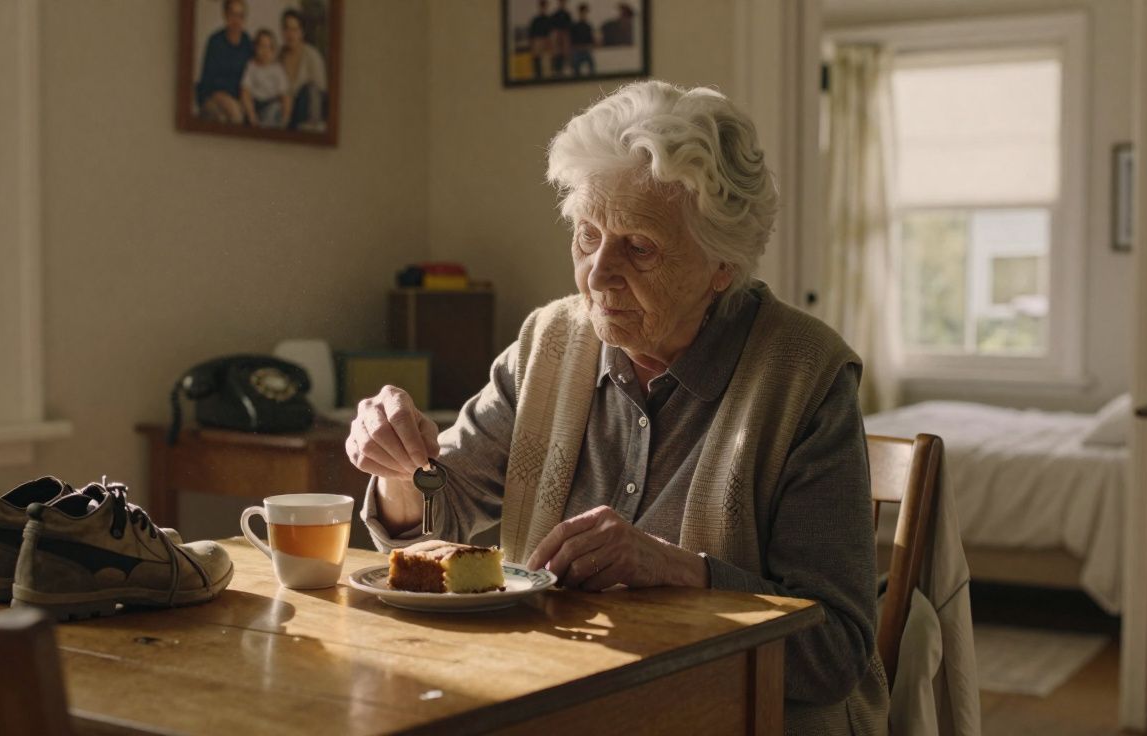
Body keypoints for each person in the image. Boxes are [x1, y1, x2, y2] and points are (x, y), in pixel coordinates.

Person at [348, 80, 889, 734]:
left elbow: (835, 654)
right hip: (559, 698)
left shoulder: (805, 378)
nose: (596, 274)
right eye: (586, 235)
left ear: (723, 265)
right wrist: (400, 467)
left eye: (637, 247)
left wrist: (682, 571)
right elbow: (445, 505)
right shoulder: (549, 342)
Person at [195, 0, 253, 124]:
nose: (236, 20)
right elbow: (207, 80)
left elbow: (251, 77)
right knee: (228, 116)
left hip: (240, 98)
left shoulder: (248, 43)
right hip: (214, 96)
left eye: (240, 16)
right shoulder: (215, 41)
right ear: (225, 15)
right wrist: (223, 98)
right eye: (233, 15)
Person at [279, 8, 329, 133]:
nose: (290, 34)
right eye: (287, 29)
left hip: (307, 115)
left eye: (294, 30)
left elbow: (319, 92)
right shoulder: (277, 57)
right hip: (283, 114)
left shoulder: (312, 56)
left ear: (302, 32)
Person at [240, 29, 291, 129]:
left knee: (275, 108)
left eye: (269, 47)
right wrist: (251, 115)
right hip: (256, 103)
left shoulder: (277, 69)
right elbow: (245, 91)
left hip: (272, 102)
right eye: (262, 47)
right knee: (246, 107)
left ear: (273, 50)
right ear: (255, 48)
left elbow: (285, 96)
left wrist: (286, 117)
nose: (265, 51)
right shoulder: (251, 66)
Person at [527, 0, 553, 79]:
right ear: (540, 7)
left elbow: (551, 32)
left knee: (546, 63)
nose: (543, 8)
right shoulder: (535, 20)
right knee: (536, 61)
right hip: (537, 41)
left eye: (545, 7)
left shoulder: (549, 19)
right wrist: (532, 44)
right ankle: (537, 76)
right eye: (542, 6)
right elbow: (531, 34)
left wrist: (549, 43)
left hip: (547, 41)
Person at [569, 3, 596, 77]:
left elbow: (591, 40)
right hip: (577, 50)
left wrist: (589, 46)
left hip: (586, 50)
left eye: (585, 13)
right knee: (575, 64)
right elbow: (572, 41)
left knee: (592, 64)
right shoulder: (575, 26)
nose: (584, 15)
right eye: (582, 13)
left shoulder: (588, 26)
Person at [548, 0, 572, 76]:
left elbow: (569, 28)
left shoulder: (567, 14)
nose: (563, 4)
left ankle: (564, 71)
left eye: (564, 2)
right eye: (561, 2)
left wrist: (566, 38)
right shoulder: (555, 15)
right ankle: (556, 71)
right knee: (556, 54)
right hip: (557, 36)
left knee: (565, 55)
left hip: (565, 37)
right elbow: (552, 28)